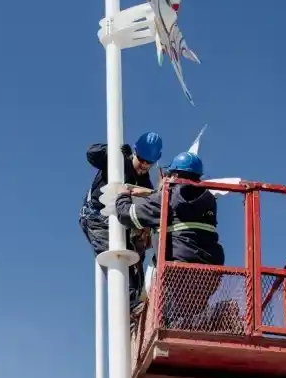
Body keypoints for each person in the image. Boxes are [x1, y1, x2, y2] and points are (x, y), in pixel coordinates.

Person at [114, 151, 225, 331]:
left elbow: (126, 214)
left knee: (169, 321)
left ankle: (216, 313)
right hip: (210, 275)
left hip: (178, 273)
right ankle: (217, 314)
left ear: (174, 174)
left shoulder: (166, 197)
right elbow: (183, 205)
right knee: (190, 315)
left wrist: (123, 195)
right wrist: (152, 193)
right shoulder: (209, 199)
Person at [79, 132, 163, 315]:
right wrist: (114, 153)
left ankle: (137, 307)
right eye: (141, 159)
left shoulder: (145, 182)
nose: (144, 165)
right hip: (98, 218)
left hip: (121, 223)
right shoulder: (119, 163)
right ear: (135, 152)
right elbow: (91, 153)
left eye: (149, 163)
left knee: (135, 260)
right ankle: (130, 306)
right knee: (117, 257)